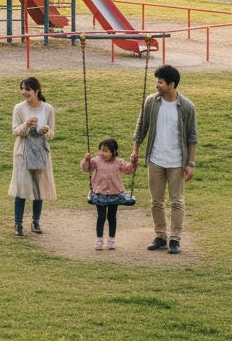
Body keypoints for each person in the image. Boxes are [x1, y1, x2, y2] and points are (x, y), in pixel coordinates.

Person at [132, 64, 198, 255]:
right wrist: (135, 151)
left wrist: (190, 164)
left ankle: (175, 239)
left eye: (160, 82)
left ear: (171, 84)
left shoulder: (187, 106)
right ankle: (160, 236)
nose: (156, 85)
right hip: (155, 159)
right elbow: (141, 128)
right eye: (156, 81)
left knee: (177, 201)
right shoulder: (151, 102)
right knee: (156, 201)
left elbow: (192, 138)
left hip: (177, 161)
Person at [10, 76, 56, 237]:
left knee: (38, 188)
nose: (24, 92)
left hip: (40, 151)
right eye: (22, 89)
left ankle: (35, 221)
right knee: (21, 187)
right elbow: (15, 131)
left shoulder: (48, 108)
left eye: (27, 89)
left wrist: (45, 131)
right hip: (23, 150)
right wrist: (26, 125)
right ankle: (18, 223)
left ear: (37, 91)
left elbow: (52, 133)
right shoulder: (19, 108)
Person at [82, 138, 136, 250]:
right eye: (101, 150)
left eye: (105, 150)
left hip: (114, 193)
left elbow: (129, 170)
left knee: (112, 217)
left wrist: (133, 163)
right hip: (99, 193)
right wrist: (86, 160)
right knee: (101, 217)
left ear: (114, 151)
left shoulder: (118, 162)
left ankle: (111, 239)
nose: (102, 153)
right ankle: (99, 239)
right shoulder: (95, 161)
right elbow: (86, 168)